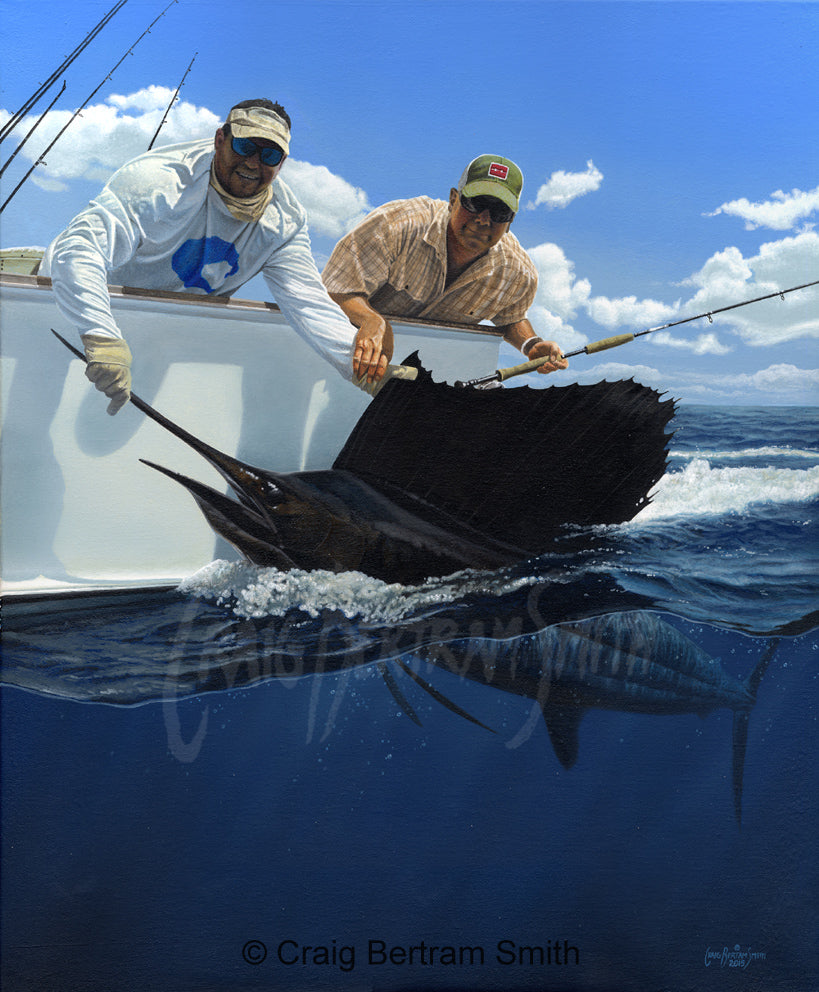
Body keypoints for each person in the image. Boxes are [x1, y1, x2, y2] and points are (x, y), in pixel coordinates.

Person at [41, 98, 388, 414]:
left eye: (269, 155)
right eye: (244, 146)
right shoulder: (157, 182)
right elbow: (79, 249)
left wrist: (362, 369)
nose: (253, 162)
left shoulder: (285, 221)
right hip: (70, 308)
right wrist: (100, 335)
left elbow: (308, 303)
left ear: (282, 163)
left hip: (158, 335)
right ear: (220, 139)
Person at [322, 154, 569, 383]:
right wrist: (370, 319)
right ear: (453, 199)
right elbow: (334, 289)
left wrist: (530, 344)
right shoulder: (394, 225)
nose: (483, 219)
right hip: (347, 362)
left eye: (499, 212)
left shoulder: (519, 274)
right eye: (475, 204)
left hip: (430, 380)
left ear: (510, 221)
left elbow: (510, 318)